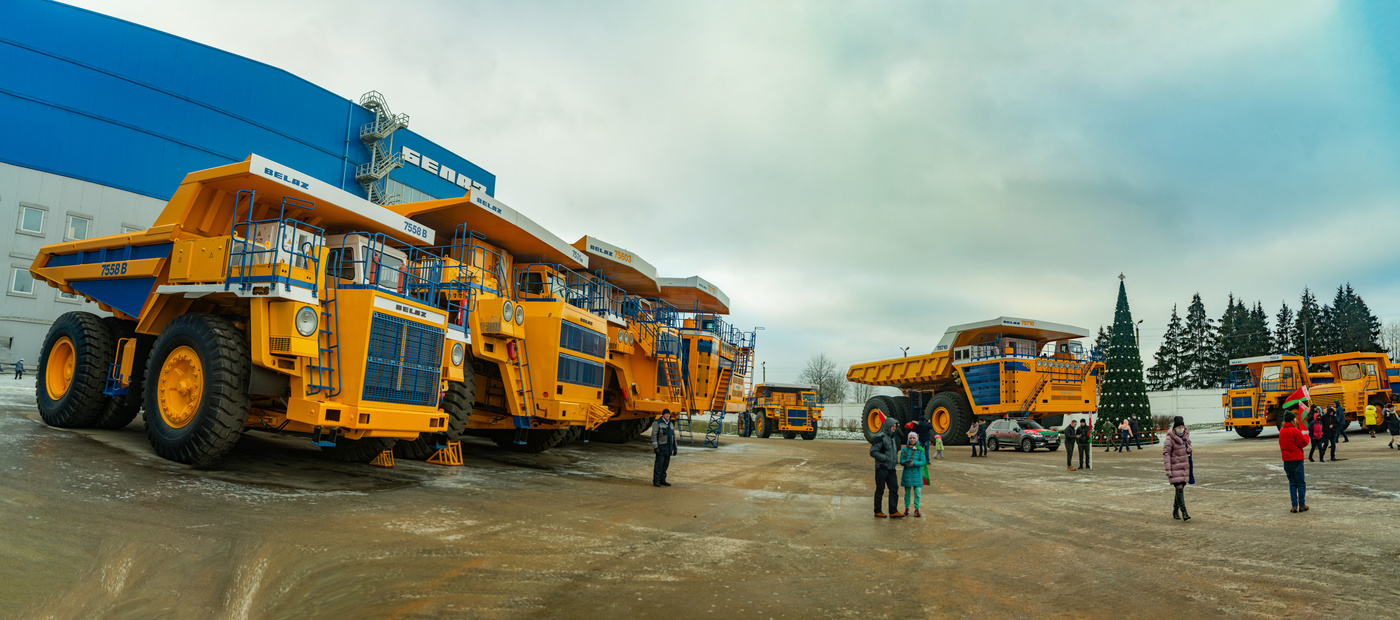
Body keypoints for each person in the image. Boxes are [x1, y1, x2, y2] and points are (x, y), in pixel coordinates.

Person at [1279, 410, 1309, 513]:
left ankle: (1294, 506)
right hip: (1296, 459)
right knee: (1300, 483)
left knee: (1292, 483)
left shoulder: (1282, 431)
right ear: (1292, 420)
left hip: (1287, 461)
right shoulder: (1295, 431)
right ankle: (1302, 504)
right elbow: (1303, 443)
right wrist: (1307, 435)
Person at [1162, 416, 1192, 521]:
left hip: (1184, 468)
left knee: (1180, 488)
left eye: (1182, 426)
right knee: (1179, 488)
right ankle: (1184, 512)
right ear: (1174, 427)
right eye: (1178, 426)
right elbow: (1166, 454)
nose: (1181, 428)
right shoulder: (1169, 439)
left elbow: (1188, 449)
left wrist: (1189, 449)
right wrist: (1168, 469)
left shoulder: (1185, 437)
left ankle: (1175, 510)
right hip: (1174, 468)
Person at [871, 419, 902, 517]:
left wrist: (895, 459)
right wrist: (885, 458)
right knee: (880, 489)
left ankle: (893, 511)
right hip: (882, 468)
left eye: (895, 426)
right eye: (892, 426)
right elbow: (873, 451)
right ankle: (877, 511)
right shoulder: (880, 437)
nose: (894, 428)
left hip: (891, 468)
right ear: (888, 426)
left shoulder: (892, 437)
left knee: (894, 489)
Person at [899, 432, 927, 518]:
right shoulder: (905, 449)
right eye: (910, 438)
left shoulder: (919, 449)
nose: (912, 439)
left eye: (913, 438)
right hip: (907, 474)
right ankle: (906, 508)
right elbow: (901, 460)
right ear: (908, 439)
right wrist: (905, 463)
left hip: (917, 474)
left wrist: (914, 463)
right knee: (907, 493)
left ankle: (916, 508)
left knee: (917, 492)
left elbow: (923, 461)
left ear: (916, 439)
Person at [651, 410, 678, 487]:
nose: (668, 415)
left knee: (665, 465)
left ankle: (662, 480)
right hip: (661, 447)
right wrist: (656, 447)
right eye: (666, 414)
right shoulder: (658, 423)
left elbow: (673, 437)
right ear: (663, 415)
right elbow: (654, 436)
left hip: (668, 448)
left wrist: (675, 447)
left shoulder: (670, 424)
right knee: (659, 465)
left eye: (669, 414)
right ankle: (656, 481)